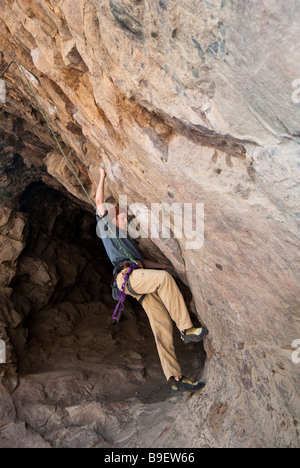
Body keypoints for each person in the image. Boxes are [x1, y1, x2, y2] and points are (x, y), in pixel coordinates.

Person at [95, 166, 208, 392]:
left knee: (161, 324)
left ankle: (175, 377)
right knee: (164, 281)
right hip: (127, 278)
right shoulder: (107, 227)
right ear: (113, 218)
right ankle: (186, 329)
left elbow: (143, 263)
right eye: (123, 216)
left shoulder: (128, 242)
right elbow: (98, 201)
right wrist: (101, 176)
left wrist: (164, 265)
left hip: (136, 278)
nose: (127, 218)